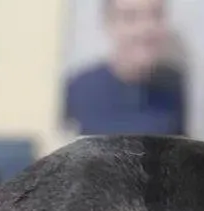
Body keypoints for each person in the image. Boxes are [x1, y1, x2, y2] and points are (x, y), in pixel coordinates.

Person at [63, 0, 189, 137]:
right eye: (131, 17)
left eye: (156, 15)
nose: (146, 28)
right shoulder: (80, 88)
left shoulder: (175, 86)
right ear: (109, 24)